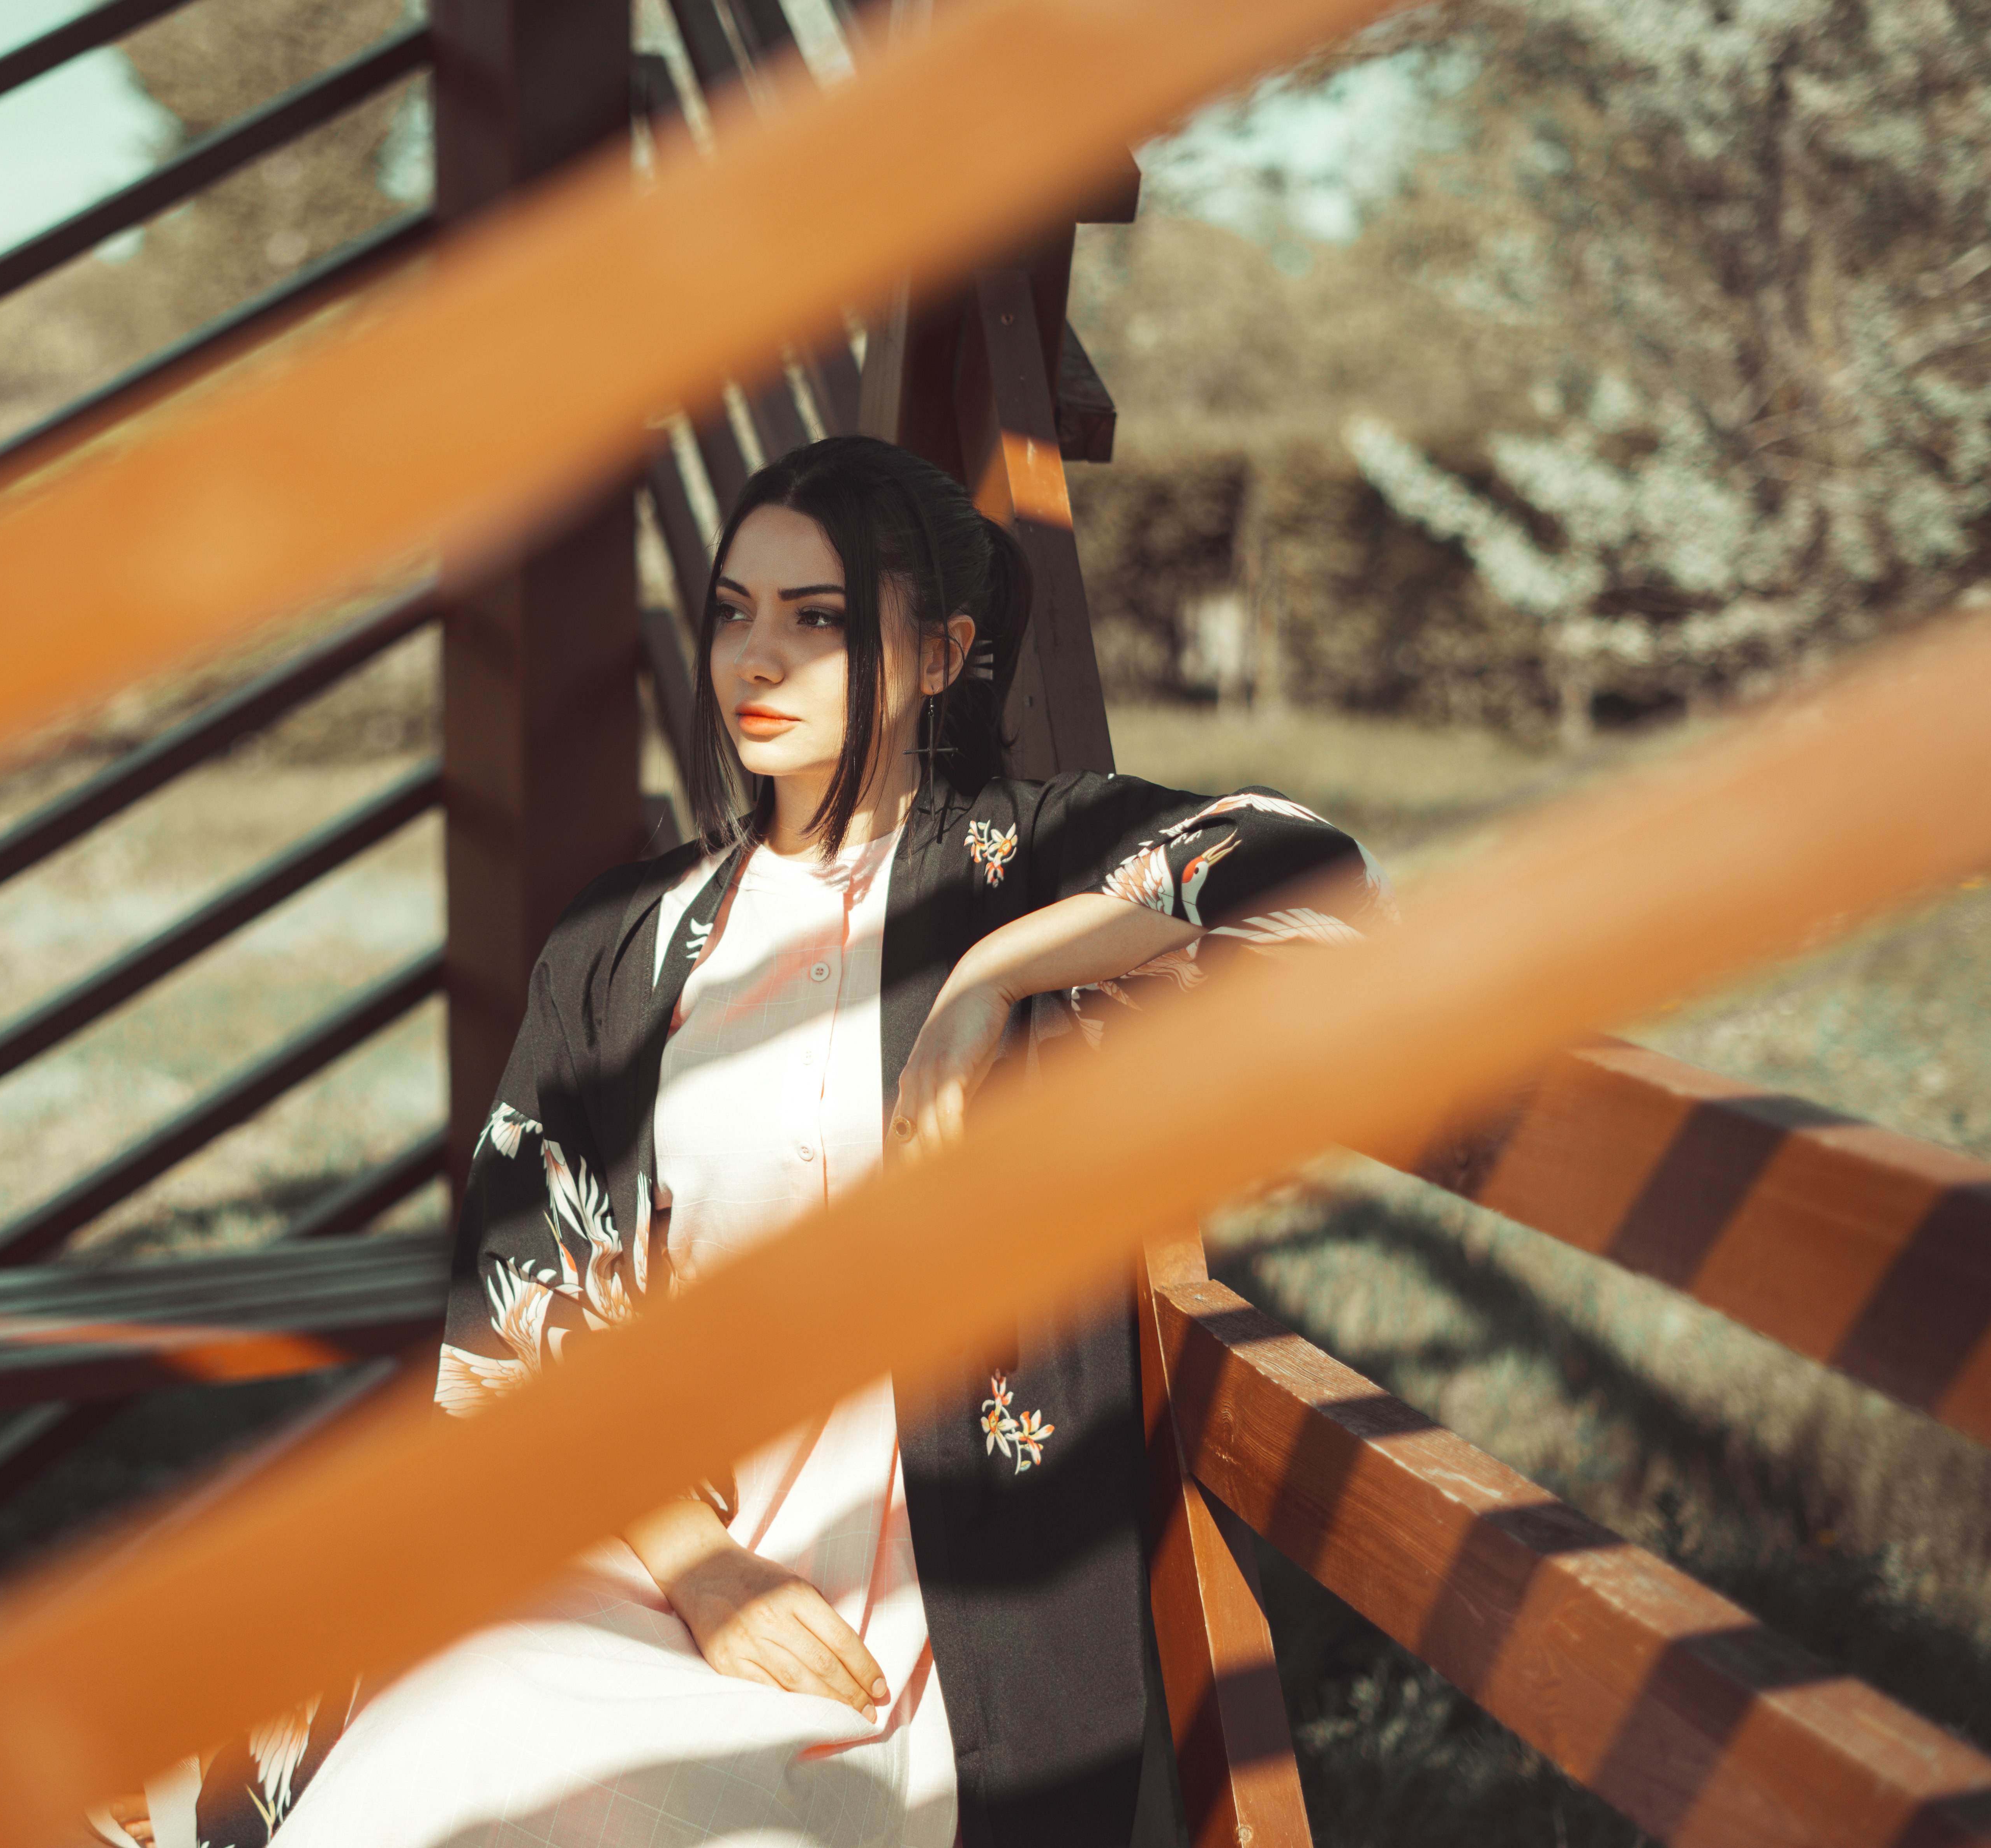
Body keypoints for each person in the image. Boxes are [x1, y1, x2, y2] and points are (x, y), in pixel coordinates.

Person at [105, 435, 1385, 1848]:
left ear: (942, 652)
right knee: (407, 1745)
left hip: (925, 1614)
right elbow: (523, 1314)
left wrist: (991, 980)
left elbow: (1307, 879)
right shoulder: (625, 942)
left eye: (817, 619)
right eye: (733, 611)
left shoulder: (1032, 862)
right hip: (654, 1553)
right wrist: (706, 1573)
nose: (755, 661)